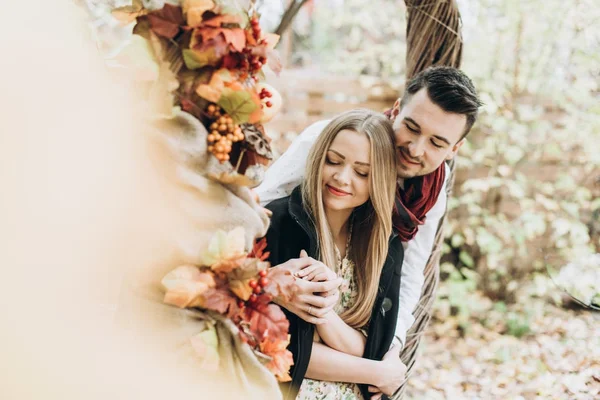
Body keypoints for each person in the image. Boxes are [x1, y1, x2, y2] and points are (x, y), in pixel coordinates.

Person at [258, 67, 482, 366]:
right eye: (412, 128)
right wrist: (264, 280)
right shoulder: (331, 143)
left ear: (455, 148)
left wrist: (392, 347)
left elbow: (410, 274)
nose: (415, 149)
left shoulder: (430, 196)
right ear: (397, 111)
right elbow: (260, 210)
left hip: (351, 322)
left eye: (436, 143)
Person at [264, 109, 406, 399]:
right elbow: (286, 349)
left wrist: (323, 313)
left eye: (362, 172)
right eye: (333, 161)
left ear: (379, 178)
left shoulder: (385, 247)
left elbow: (373, 347)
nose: (342, 177)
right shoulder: (279, 223)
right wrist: (374, 373)